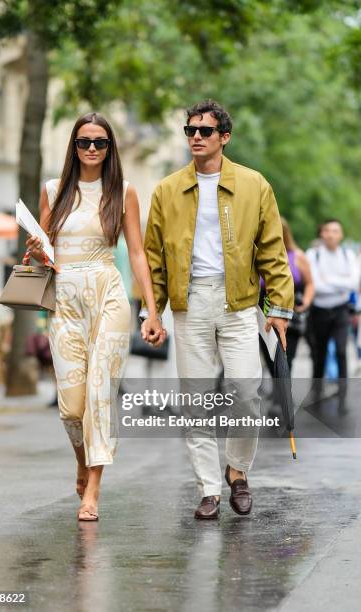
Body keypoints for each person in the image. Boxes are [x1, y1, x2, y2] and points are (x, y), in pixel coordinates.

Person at [141, 99, 294, 519]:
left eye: (204, 131)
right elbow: (153, 257)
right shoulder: (167, 190)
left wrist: (279, 307)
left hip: (239, 303)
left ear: (224, 137)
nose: (195, 137)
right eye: (190, 131)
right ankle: (209, 488)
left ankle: (237, 471)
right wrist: (150, 313)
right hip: (188, 304)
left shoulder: (253, 185)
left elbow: (273, 252)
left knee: (246, 394)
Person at [26, 112, 165, 521]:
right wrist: (36, 251)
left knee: (100, 393)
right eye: (84, 142)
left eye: (99, 142)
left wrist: (151, 310)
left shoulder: (123, 191)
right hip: (65, 300)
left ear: (109, 148)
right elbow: (44, 249)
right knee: (71, 408)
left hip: (108, 294)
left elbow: (138, 253)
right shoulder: (53, 191)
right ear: (73, 146)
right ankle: (82, 462)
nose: (91, 149)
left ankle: (94, 492)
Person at [306, 219, 360, 410]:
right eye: (327, 230)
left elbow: (353, 283)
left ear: (341, 235)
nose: (331, 234)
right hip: (319, 311)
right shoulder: (313, 255)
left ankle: (343, 394)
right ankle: (317, 390)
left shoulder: (347, 255)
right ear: (322, 233)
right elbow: (316, 286)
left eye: (335, 231)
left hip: (340, 311)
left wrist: (328, 280)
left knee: (341, 351)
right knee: (319, 353)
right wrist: (339, 282)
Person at [261, 217, 314, 372]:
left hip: (292, 313)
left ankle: (283, 395)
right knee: (270, 360)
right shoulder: (260, 256)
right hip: (265, 312)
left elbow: (310, 283)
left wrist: (305, 302)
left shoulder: (297, 256)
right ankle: (280, 393)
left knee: (286, 360)